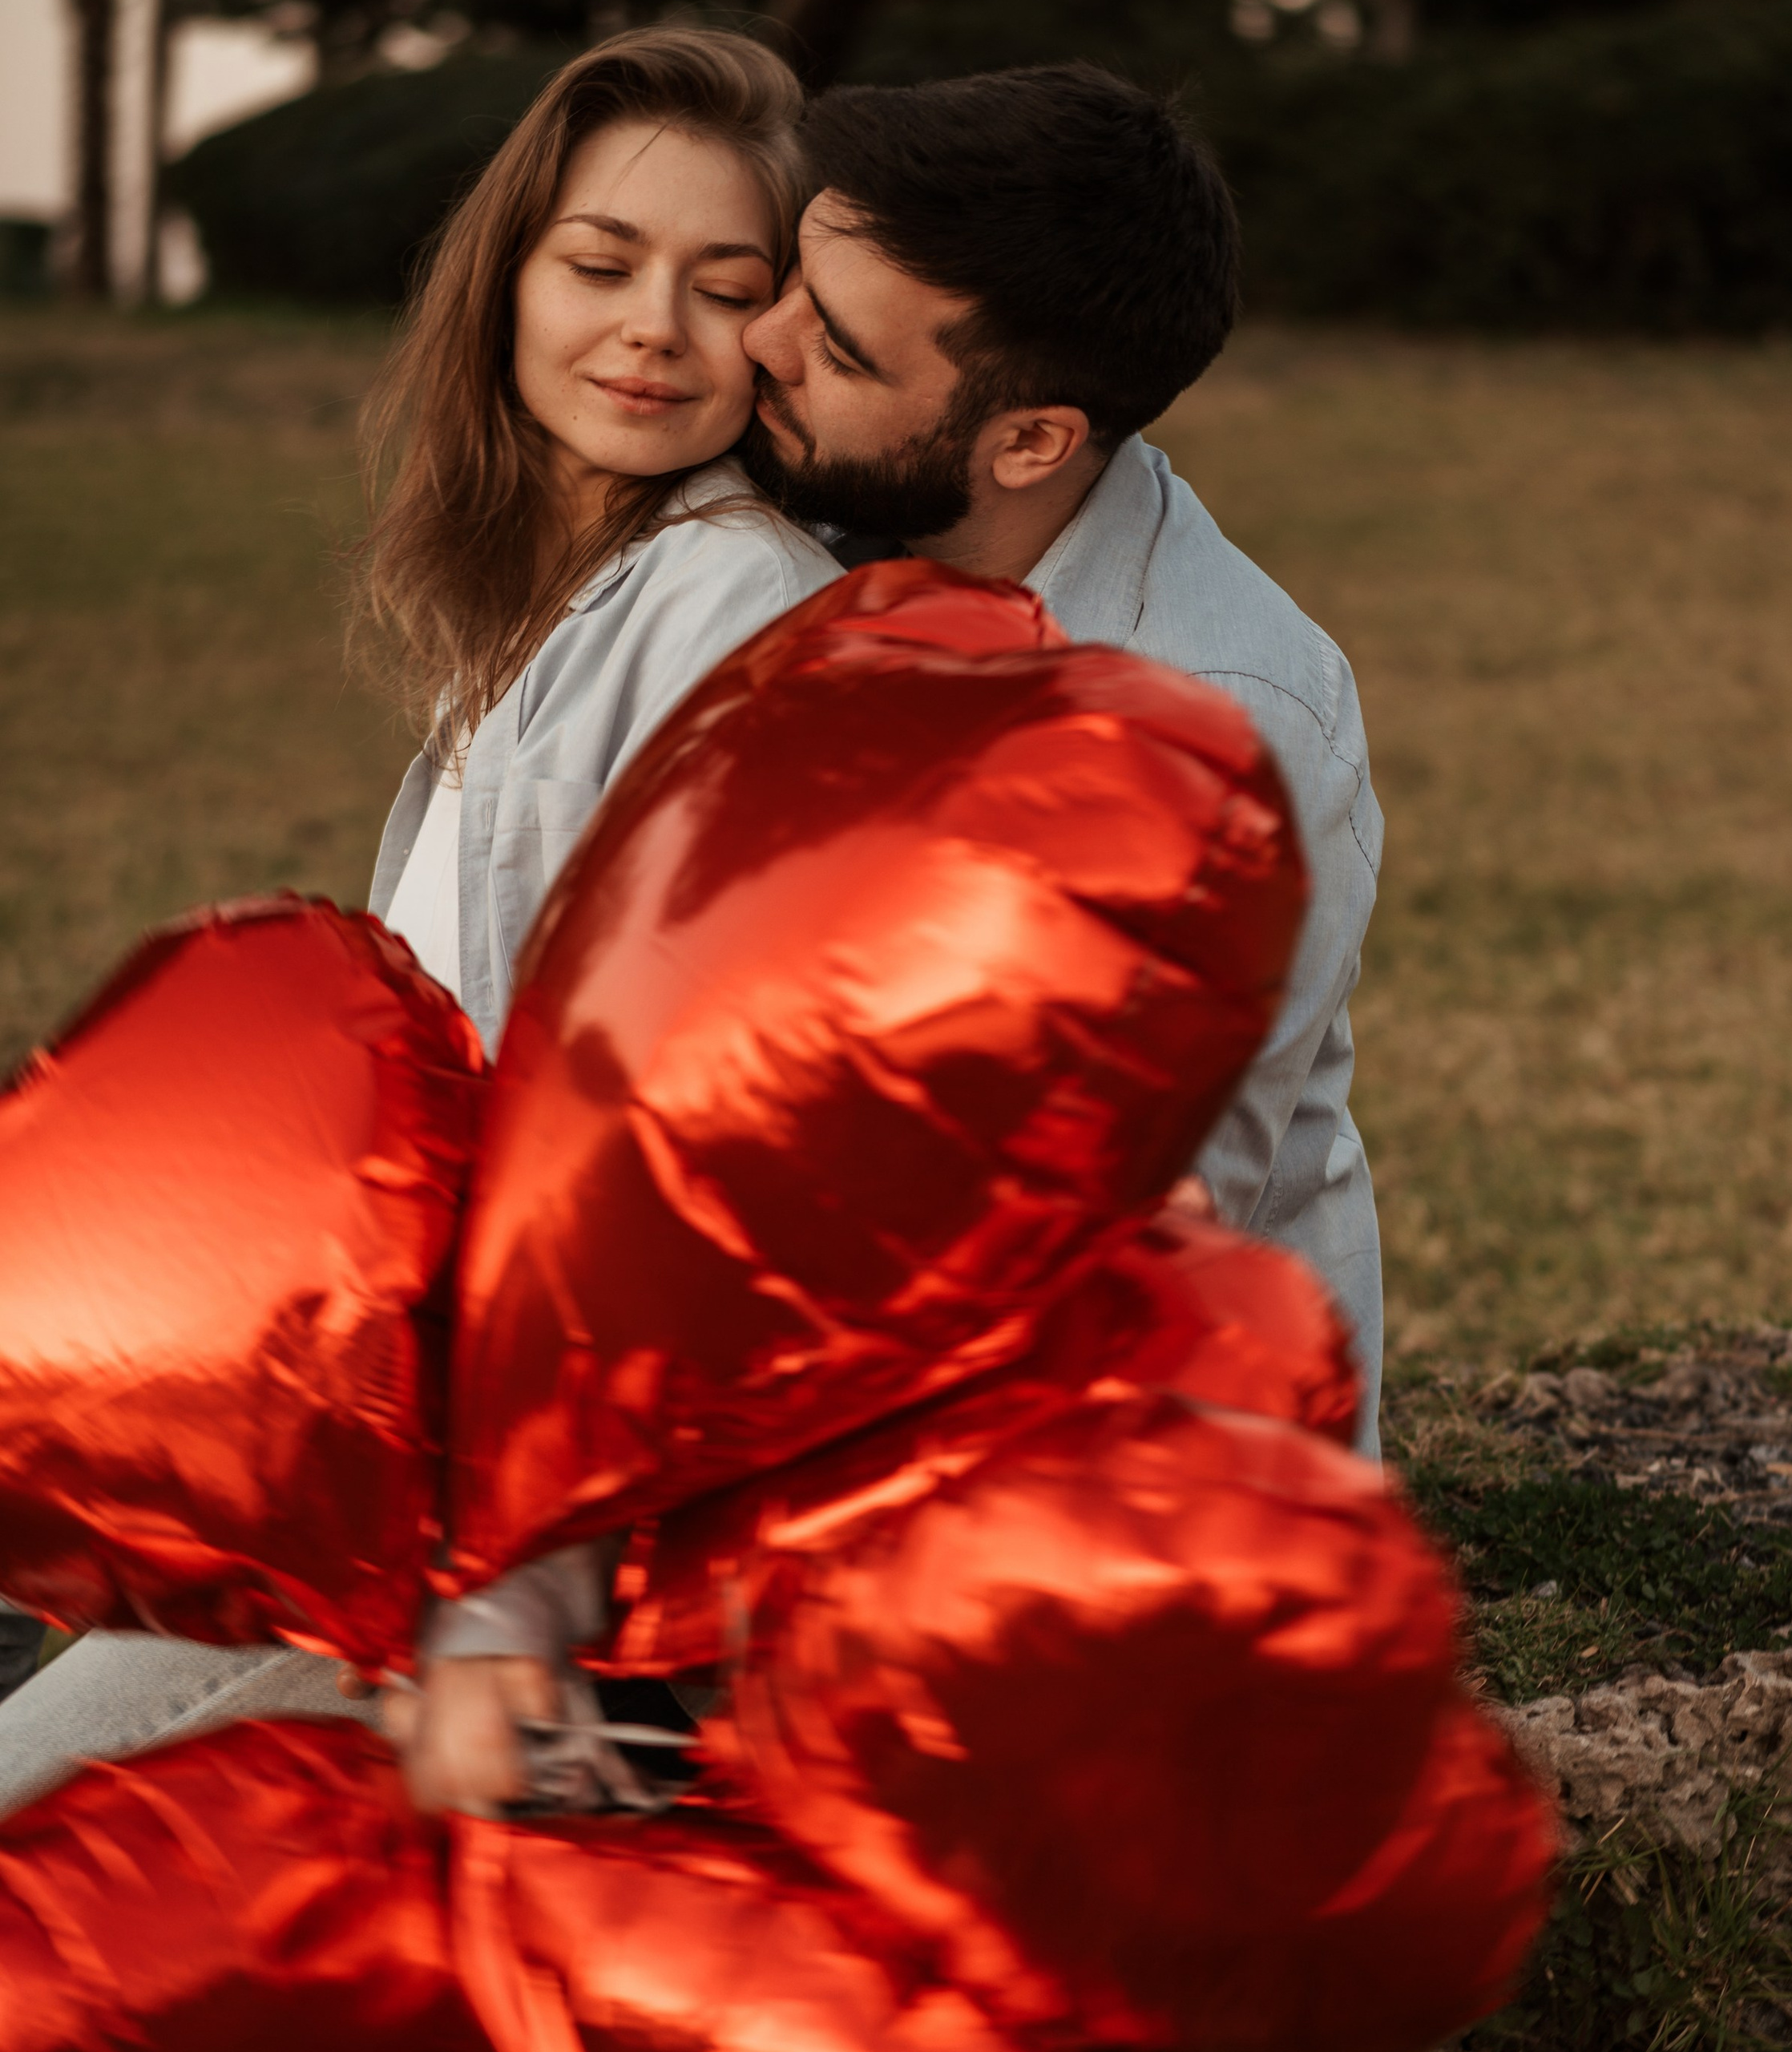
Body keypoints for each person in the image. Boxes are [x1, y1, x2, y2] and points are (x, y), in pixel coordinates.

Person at [0, 24, 842, 1804]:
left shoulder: (732, 607)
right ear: (509, 277)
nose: (650, 328)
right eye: (601, 263)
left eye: (724, 285)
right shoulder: (559, 601)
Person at [733, 64, 1387, 1456]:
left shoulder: (1214, 744)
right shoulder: (837, 514)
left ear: (1030, 442)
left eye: (841, 351)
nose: (760, 342)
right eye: (790, 279)